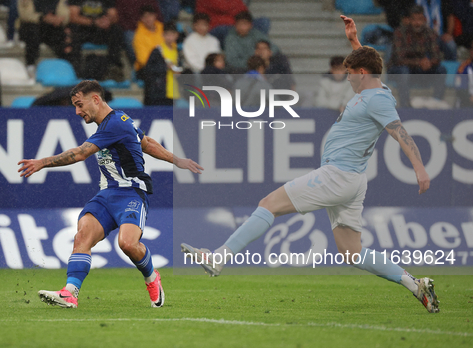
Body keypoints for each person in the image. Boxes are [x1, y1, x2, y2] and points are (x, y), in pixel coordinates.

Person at [181, 15, 440, 314]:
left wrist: (420, 168)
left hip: (337, 176)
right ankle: (416, 284)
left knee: (268, 203)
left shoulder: (376, 100)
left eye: (351, 73)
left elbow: (401, 132)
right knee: (352, 254)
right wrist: (354, 40)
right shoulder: (373, 90)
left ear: (362, 72)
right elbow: (369, 64)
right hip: (351, 180)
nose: (348, 78)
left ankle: (220, 257)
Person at [18, 80, 204, 309]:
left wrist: (43, 162)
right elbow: (146, 142)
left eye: (79, 104)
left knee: (127, 243)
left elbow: (79, 154)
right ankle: (70, 293)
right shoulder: (117, 121)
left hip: (131, 194)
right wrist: (178, 160)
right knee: (82, 236)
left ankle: (151, 277)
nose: (77, 111)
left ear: (95, 99)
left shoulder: (115, 123)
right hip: (106, 195)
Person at [387, 5, 448, 108]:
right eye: (414, 20)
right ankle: (405, 105)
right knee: (403, 71)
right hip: (399, 69)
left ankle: (436, 103)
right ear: (409, 20)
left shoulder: (430, 33)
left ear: (424, 20)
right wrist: (419, 62)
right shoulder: (400, 33)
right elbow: (398, 59)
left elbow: (437, 56)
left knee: (441, 69)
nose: (417, 23)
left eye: (420, 19)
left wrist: (429, 62)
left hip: (420, 70)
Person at [67, 0, 125, 79]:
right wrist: (94, 22)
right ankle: (76, 71)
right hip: (83, 29)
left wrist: (107, 21)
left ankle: (114, 67)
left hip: (101, 30)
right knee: (73, 32)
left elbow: (114, 16)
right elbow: (73, 17)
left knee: (116, 30)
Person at [18, 0, 78, 75]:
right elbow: (24, 15)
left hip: (51, 26)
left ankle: (66, 66)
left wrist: (58, 19)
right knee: (32, 31)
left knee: (66, 34)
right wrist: (42, 18)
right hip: (31, 26)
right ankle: (30, 64)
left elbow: (65, 14)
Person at [141, 21, 182, 106]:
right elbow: (148, 69)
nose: (170, 37)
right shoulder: (157, 51)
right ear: (163, 35)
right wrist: (165, 67)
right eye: (167, 34)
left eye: (172, 35)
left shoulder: (177, 52)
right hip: (159, 92)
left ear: (176, 35)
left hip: (173, 91)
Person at [195, 0, 269, 46]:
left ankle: (253, 46)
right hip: (216, 28)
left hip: (236, 25)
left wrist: (243, 24)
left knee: (263, 22)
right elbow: (222, 6)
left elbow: (244, 12)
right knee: (224, 30)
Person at [133, 5, 164, 73]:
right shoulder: (138, 35)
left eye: (150, 15)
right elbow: (142, 60)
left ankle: (188, 84)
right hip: (147, 68)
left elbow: (172, 46)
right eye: (144, 17)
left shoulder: (162, 28)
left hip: (165, 64)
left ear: (155, 16)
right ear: (141, 19)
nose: (148, 19)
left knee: (186, 72)